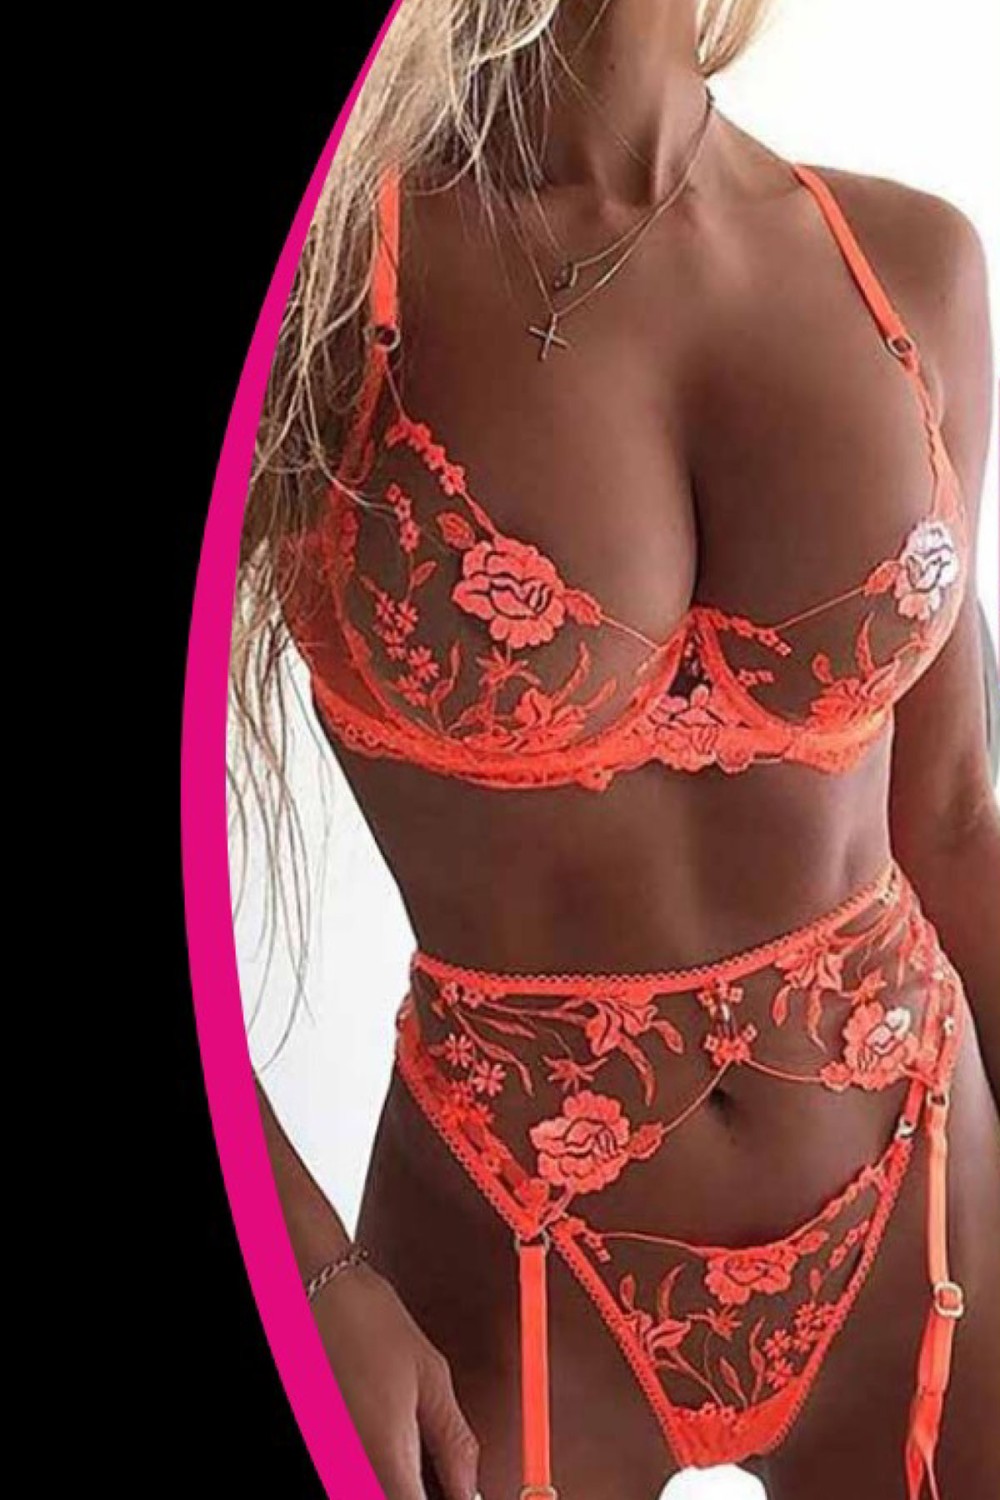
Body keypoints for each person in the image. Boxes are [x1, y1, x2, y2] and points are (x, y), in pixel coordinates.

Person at [233, 3, 1000, 1496]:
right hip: (508, 1254)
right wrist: (296, 1268)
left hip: (931, 1214)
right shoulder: (319, 292)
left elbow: (957, 815)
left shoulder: (912, 267)